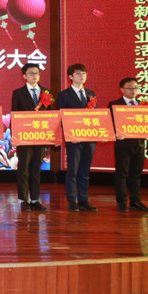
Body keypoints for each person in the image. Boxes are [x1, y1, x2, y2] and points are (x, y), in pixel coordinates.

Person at [56, 63, 98, 212]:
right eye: (78, 74)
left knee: (85, 171)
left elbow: (95, 117)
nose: (82, 76)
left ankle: (83, 200)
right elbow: (61, 117)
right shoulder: (64, 95)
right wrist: (70, 135)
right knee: (72, 170)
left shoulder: (91, 93)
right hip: (73, 139)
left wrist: (101, 133)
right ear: (71, 77)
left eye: (84, 73)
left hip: (89, 139)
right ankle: (72, 200)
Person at [11, 63, 51, 212]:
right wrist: (15, 136)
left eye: (37, 73)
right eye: (31, 73)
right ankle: (24, 200)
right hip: (24, 137)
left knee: (36, 170)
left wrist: (52, 136)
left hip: (40, 137)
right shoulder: (18, 93)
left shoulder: (46, 92)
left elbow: (51, 115)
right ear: (24, 76)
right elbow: (14, 115)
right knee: (23, 170)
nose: (35, 76)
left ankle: (35, 200)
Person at [108, 78, 148, 213]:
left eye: (136, 88)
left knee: (136, 174)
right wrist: (115, 133)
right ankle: (121, 202)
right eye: (130, 88)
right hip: (123, 144)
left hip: (139, 144)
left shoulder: (142, 104)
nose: (134, 91)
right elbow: (109, 123)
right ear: (122, 90)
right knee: (122, 174)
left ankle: (135, 201)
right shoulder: (115, 104)